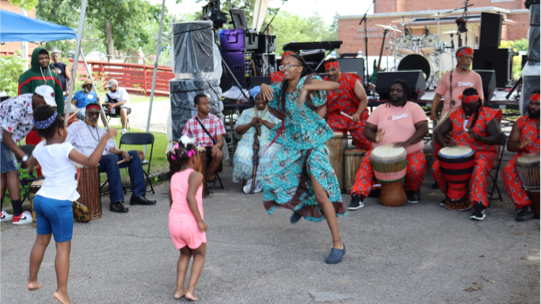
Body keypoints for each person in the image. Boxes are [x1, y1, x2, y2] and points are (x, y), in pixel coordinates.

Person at [259, 54, 347, 264]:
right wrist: (263, 84)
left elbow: (334, 85)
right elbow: (262, 91)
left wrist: (308, 88)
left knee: (321, 194)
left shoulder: (310, 80)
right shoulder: (280, 88)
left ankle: (338, 244)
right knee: (279, 180)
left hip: (315, 143)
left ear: (300, 69)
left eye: (290, 65)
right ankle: (302, 204)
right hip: (294, 144)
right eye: (283, 65)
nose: (285, 68)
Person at [26, 105, 116, 304]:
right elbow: (91, 161)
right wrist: (104, 138)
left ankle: (32, 280)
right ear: (60, 131)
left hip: (41, 200)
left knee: (41, 242)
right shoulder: (64, 147)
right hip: (58, 204)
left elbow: (30, 164)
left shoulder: (40, 147)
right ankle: (61, 292)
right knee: (63, 249)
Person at [349, 79, 429, 210]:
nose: (394, 92)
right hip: (381, 151)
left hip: (409, 151)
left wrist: (407, 143)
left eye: (398, 90)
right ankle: (358, 196)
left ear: (405, 93)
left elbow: (423, 128)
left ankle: (411, 190)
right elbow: (367, 129)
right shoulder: (380, 109)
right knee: (366, 163)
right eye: (392, 90)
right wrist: (374, 136)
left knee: (416, 167)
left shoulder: (414, 108)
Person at [66, 103, 156, 213]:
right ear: (85, 114)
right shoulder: (76, 127)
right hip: (90, 160)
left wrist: (122, 151)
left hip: (107, 158)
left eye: (96, 114)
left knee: (133, 155)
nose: (94, 116)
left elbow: (112, 148)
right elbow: (65, 145)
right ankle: (115, 201)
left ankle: (137, 195)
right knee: (111, 158)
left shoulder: (101, 131)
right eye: (91, 113)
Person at [432, 88, 502, 221]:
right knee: (436, 166)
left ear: (478, 103)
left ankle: (479, 205)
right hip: (458, 155)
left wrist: (478, 138)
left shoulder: (487, 114)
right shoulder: (456, 113)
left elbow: (498, 138)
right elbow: (439, 133)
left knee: (479, 167)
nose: (467, 108)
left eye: (470, 106)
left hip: (481, 153)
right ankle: (453, 196)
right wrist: (446, 145)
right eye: (464, 105)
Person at [0, 86, 56, 224]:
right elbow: (6, 138)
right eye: (45, 102)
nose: (46, 106)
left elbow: (41, 128)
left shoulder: (37, 106)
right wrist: (25, 157)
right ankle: (18, 215)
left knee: (3, 174)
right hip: (2, 138)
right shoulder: (18, 107)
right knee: (12, 171)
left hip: (5, 138)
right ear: (36, 97)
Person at [168, 136, 207, 301]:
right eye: (198, 156)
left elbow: (172, 201)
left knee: (184, 254)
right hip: (191, 223)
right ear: (193, 158)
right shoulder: (196, 175)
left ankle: (179, 289)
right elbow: (190, 198)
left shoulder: (174, 177)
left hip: (174, 222)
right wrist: (199, 221)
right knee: (199, 255)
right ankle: (190, 291)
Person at [232, 86, 280, 194]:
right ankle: (254, 179)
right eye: (258, 99)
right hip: (248, 141)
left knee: (269, 153)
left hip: (269, 141)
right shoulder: (246, 113)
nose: (261, 101)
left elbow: (280, 129)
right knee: (241, 155)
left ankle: (256, 181)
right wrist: (250, 124)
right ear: (254, 100)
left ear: (267, 99)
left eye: (263, 98)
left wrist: (265, 122)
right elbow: (238, 129)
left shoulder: (273, 112)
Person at [503, 90, 541, 221]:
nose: (533, 107)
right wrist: (519, 146)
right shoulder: (521, 122)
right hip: (523, 155)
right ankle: (525, 206)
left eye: (537, 104)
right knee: (508, 169)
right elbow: (510, 145)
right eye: (531, 103)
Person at [19, 47, 65, 147]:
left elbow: (59, 97)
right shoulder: (26, 77)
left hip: (52, 119)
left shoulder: (54, 77)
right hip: (34, 120)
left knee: (52, 148)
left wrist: (60, 116)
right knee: (35, 150)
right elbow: (23, 99)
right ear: (35, 59)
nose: (44, 60)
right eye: (41, 58)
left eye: (46, 57)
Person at [322, 59, 371, 150]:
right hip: (335, 117)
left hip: (355, 114)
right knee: (329, 142)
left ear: (339, 68)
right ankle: (334, 164)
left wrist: (357, 114)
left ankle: (368, 162)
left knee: (367, 139)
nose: (330, 73)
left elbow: (364, 99)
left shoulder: (350, 79)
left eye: (333, 70)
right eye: (327, 71)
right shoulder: (323, 82)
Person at [182, 94, 226, 181]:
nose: (207, 106)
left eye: (208, 104)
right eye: (204, 104)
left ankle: (203, 182)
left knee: (219, 155)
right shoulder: (190, 122)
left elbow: (220, 141)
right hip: (195, 149)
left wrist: (216, 147)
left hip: (210, 148)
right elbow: (185, 141)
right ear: (197, 106)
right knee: (175, 155)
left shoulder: (216, 120)